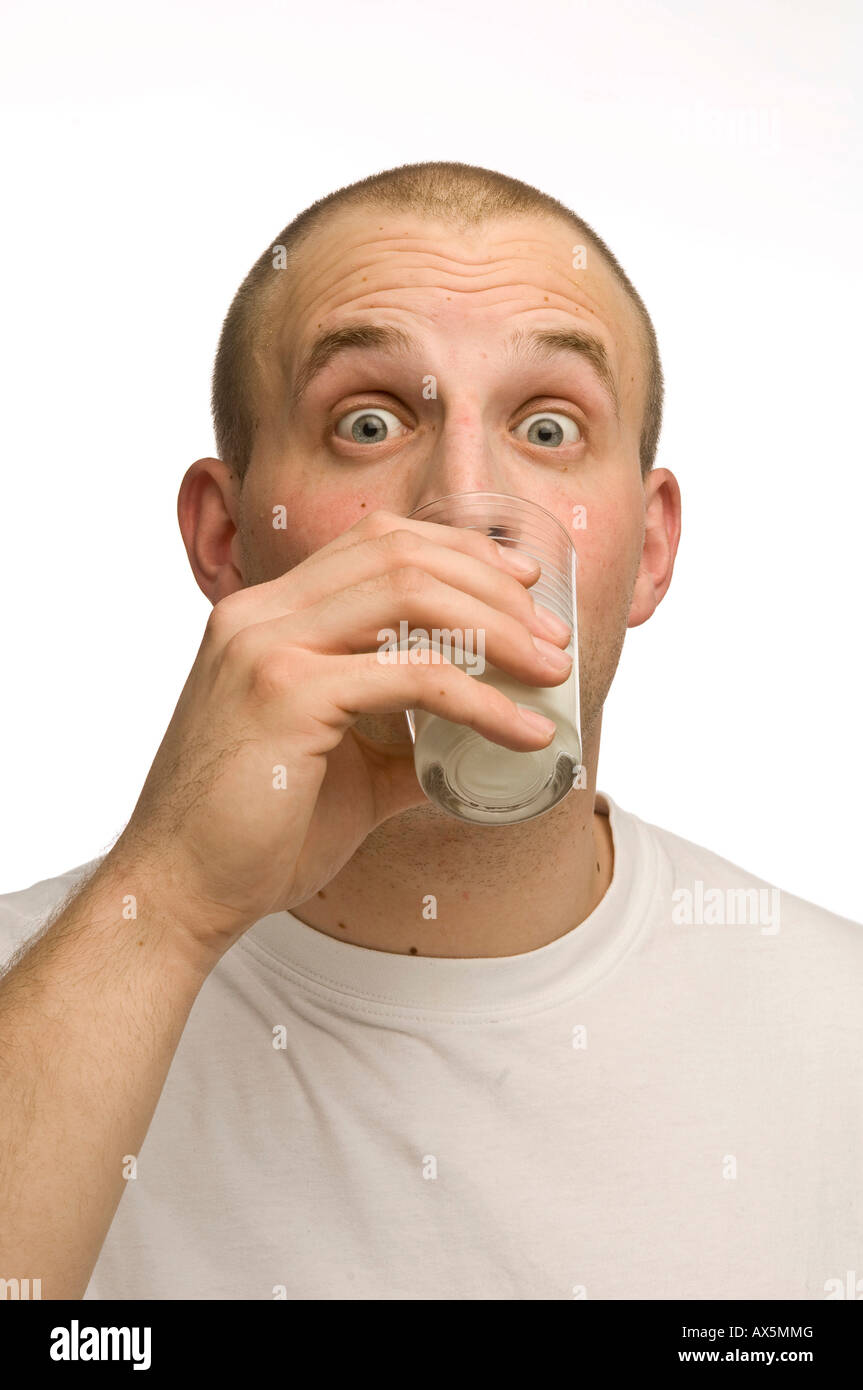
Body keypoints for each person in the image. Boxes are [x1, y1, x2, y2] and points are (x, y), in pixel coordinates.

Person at [1, 161, 860, 1302]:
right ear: (222, 538)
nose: (462, 513)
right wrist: (163, 909)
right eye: (366, 422)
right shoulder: (41, 992)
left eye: (547, 428)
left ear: (647, 553)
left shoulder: (833, 1035)